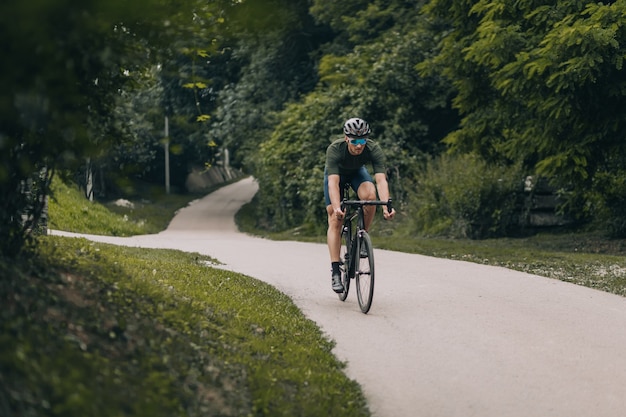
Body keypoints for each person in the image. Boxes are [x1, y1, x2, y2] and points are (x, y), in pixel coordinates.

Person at [324, 117, 395, 293]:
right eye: (354, 141)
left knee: (370, 197)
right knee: (335, 218)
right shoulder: (335, 149)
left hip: (357, 174)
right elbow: (333, 183)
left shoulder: (373, 149)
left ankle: (362, 237)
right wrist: (337, 207)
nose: (358, 145)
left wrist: (386, 205)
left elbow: (381, 180)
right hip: (336, 177)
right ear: (346, 138)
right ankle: (335, 271)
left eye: (362, 141)